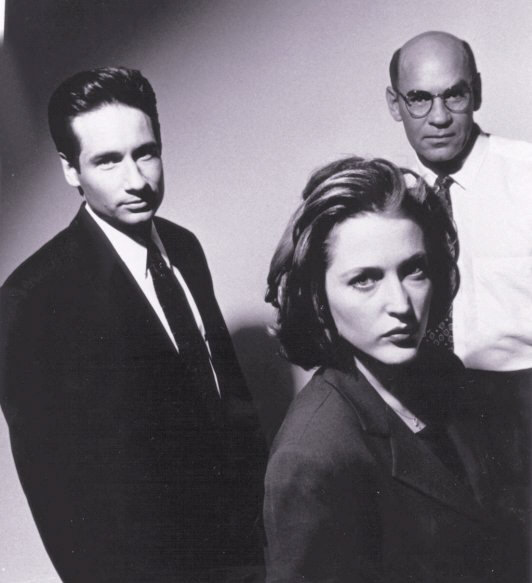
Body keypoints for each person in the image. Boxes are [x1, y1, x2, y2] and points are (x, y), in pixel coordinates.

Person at [0, 67, 266, 583]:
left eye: (146, 153)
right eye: (108, 160)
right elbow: (60, 505)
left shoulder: (184, 248)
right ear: (70, 169)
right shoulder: (33, 299)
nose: (137, 180)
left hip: (247, 560)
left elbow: (231, 411)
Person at [263, 156, 511, 582]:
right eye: (365, 279)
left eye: (414, 270)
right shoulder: (311, 458)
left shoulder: (445, 374)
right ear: (318, 297)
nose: (400, 305)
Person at [385, 31, 531, 573]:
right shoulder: (389, 197)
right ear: (395, 104)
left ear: (478, 92)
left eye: (455, 94)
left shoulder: (528, 175)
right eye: (420, 98)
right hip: (429, 411)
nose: (440, 116)